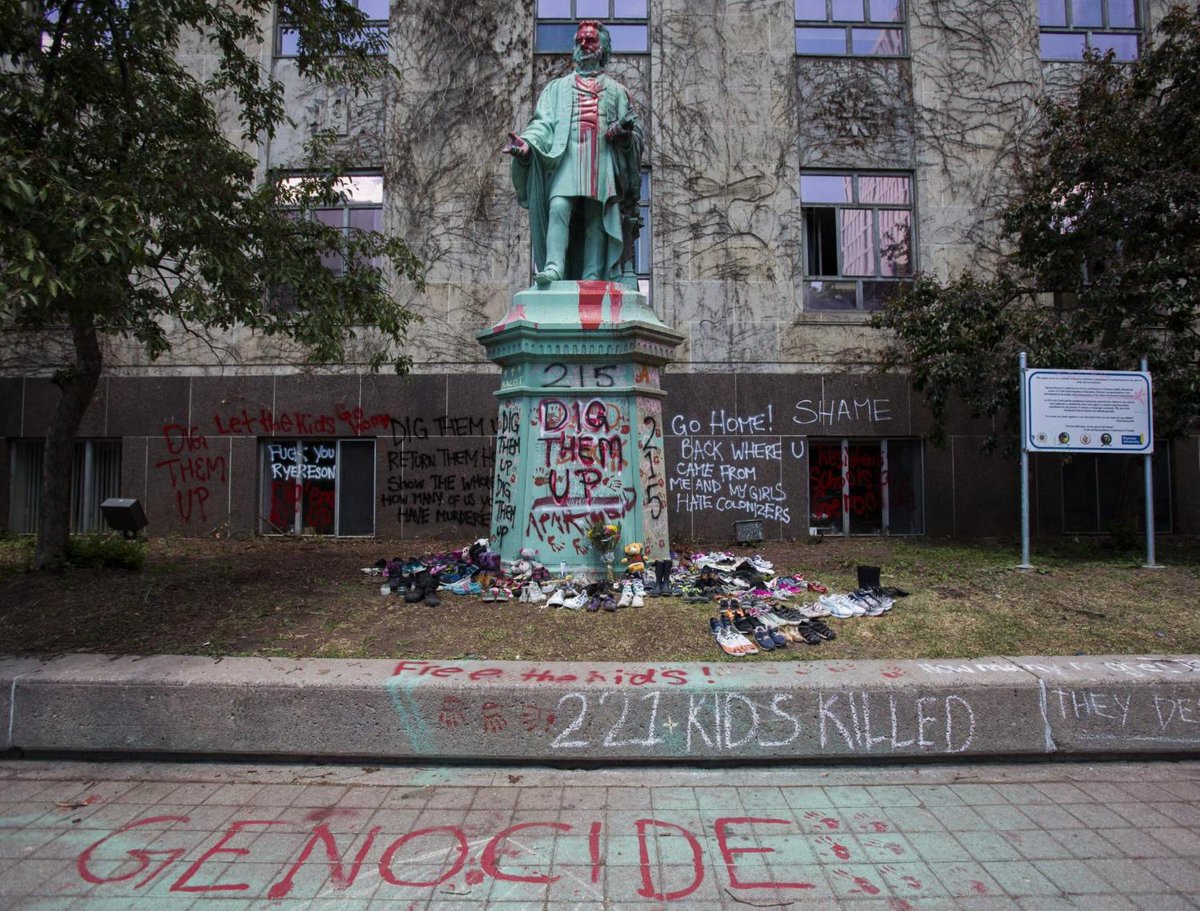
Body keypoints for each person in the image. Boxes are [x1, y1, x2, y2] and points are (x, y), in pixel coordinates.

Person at [503, 20, 643, 289]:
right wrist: (527, 145)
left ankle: (591, 277)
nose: (584, 45)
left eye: (590, 40)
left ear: (602, 47)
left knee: (596, 217)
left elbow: (634, 135)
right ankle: (554, 267)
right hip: (567, 158)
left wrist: (624, 136)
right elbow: (542, 125)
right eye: (580, 40)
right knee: (558, 207)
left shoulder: (616, 91)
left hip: (600, 159)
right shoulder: (557, 89)